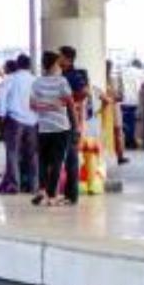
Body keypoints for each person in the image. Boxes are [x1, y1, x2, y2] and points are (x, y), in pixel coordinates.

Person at [31, 51, 76, 207]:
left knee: (43, 161)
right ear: (54, 64)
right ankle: (51, 196)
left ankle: (42, 190)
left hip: (44, 127)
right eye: (58, 63)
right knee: (57, 161)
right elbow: (70, 104)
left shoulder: (37, 82)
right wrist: (75, 125)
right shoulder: (62, 81)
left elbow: (32, 106)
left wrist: (47, 106)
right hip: (61, 127)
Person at [0, 54, 39, 194]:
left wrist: (0, 115)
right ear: (30, 65)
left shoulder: (11, 79)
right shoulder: (35, 80)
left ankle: (14, 185)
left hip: (14, 120)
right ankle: (33, 185)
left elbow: (2, 97)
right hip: (33, 121)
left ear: (18, 64)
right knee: (32, 154)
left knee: (12, 152)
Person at [59, 46, 88, 205]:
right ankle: (68, 194)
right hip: (62, 120)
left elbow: (84, 92)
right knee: (66, 157)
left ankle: (72, 195)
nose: (59, 59)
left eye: (61, 56)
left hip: (70, 120)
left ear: (69, 59)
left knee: (71, 158)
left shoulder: (74, 76)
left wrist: (71, 102)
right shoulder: (62, 75)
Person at [120, 58, 144, 150]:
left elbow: (120, 86)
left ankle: (125, 142)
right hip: (133, 101)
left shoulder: (124, 71)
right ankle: (130, 143)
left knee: (124, 123)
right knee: (131, 123)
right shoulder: (140, 73)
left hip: (123, 101)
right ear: (139, 66)